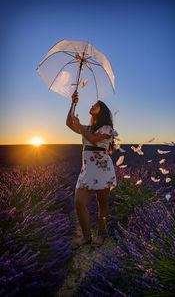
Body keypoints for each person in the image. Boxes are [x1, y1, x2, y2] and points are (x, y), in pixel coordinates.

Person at [66, 90, 117, 249]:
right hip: (87, 169)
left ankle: (101, 234)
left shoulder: (107, 128)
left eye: (96, 105)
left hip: (103, 168)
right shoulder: (88, 127)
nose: (92, 106)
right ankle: (87, 236)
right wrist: (73, 103)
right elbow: (68, 123)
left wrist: (80, 125)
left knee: (102, 203)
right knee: (79, 203)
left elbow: (94, 139)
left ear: (102, 111)